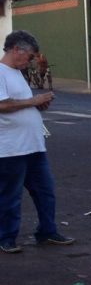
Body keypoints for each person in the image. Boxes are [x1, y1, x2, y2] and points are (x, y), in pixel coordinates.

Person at [0, 30, 74, 254]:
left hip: (33, 147)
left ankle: (47, 231)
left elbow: (18, 102)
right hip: (10, 149)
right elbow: (2, 105)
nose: (31, 61)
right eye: (30, 56)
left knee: (45, 191)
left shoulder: (16, 73)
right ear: (17, 50)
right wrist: (34, 100)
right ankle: (6, 237)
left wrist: (37, 104)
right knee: (10, 196)